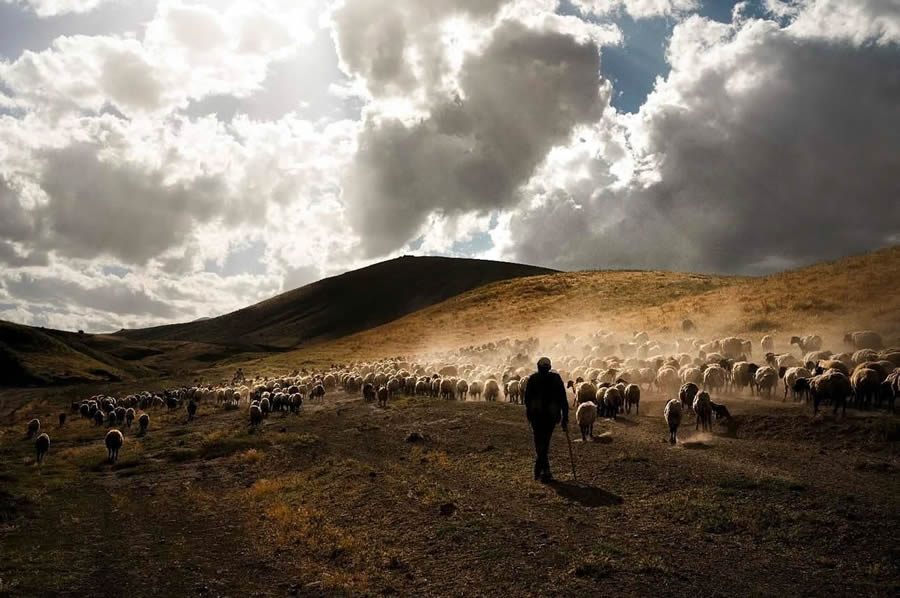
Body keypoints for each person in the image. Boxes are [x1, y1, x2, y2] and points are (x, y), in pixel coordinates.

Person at [523, 357, 568, 482]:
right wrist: (565, 417)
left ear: (538, 367)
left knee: (539, 443)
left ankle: (541, 470)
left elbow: (527, 400)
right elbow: (563, 399)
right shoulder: (556, 378)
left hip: (537, 417)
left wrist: (530, 413)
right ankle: (543, 470)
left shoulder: (533, 379)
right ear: (549, 367)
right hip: (551, 417)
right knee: (545, 442)